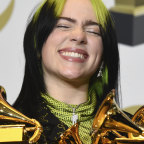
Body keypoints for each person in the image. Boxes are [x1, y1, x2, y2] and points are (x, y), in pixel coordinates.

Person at [13, 0, 119, 143]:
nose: (79, 36)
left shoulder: (131, 133)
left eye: (93, 31)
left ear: (104, 55)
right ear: (37, 45)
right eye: (63, 26)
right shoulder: (9, 128)